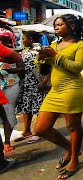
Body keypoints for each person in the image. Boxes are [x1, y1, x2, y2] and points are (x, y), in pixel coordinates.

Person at [34, 14, 83, 179]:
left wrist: (55, 56)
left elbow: (77, 67)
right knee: (41, 129)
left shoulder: (81, 45)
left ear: (72, 27)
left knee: (73, 127)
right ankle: (71, 149)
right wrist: (41, 59)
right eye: (55, 25)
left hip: (73, 89)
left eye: (59, 25)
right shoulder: (53, 45)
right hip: (55, 91)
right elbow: (46, 70)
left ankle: (74, 160)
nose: (56, 27)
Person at [15, 30, 49, 144]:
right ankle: (26, 131)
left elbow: (48, 69)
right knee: (26, 107)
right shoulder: (24, 51)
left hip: (37, 84)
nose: (22, 41)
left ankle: (37, 132)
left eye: (24, 39)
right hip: (26, 84)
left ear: (30, 39)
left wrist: (44, 83)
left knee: (38, 108)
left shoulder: (40, 50)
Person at [0, 27, 25, 155]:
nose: (2, 42)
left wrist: (9, 69)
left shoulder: (9, 52)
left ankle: (7, 143)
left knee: (8, 114)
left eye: (4, 40)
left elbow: (21, 66)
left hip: (9, 86)